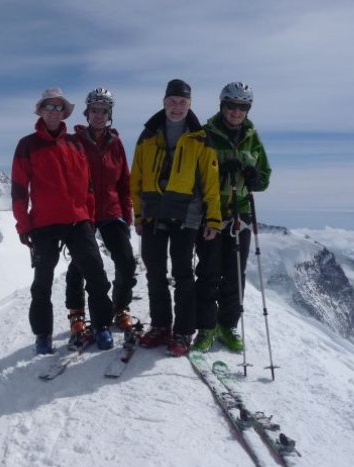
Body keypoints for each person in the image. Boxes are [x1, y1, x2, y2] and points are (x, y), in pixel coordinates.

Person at [12, 87, 115, 355]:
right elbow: (19, 191)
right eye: (49, 106)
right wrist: (24, 227)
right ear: (41, 110)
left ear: (65, 112)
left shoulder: (75, 143)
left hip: (78, 219)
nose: (54, 111)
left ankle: (102, 326)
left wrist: (89, 217)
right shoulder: (27, 145)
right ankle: (43, 335)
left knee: (95, 273)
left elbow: (88, 185)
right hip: (45, 223)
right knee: (42, 281)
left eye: (59, 107)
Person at [130, 79, 221, 357]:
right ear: (164, 102)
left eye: (182, 102)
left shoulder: (200, 138)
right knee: (155, 273)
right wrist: (137, 213)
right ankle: (160, 326)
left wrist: (214, 219)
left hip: (187, 215)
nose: (177, 107)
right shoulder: (148, 136)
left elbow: (210, 182)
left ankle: (182, 331)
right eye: (172, 101)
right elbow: (137, 177)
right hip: (153, 214)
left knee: (182, 274)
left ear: (190, 104)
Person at [193, 82, 272, 353]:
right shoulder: (205, 134)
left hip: (242, 213)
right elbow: (194, 175)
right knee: (208, 271)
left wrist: (255, 177)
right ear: (222, 105)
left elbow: (265, 177)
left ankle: (227, 325)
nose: (236, 112)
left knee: (235, 274)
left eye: (243, 107)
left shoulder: (252, 137)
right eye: (232, 105)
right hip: (212, 213)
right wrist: (218, 170)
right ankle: (206, 326)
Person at [65, 88, 139, 345]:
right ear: (87, 112)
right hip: (83, 211)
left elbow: (124, 182)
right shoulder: (74, 142)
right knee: (81, 263)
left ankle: (120, 307)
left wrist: (127, 215)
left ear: (110, 114)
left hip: (110, 210)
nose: (99, 114)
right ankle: (76, 313)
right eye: (94, 110)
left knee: (127, 262)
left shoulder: (115, 143)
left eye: (104, 110)